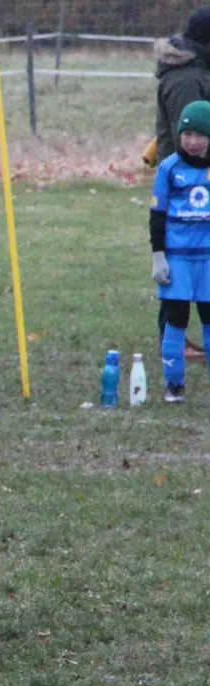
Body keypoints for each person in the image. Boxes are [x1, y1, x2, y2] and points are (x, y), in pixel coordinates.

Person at [154, 8, 210, 361]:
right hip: (184, 184)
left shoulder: (197, 71)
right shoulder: (188, 79)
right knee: (177, 259)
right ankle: (173, 335)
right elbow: (189, 138)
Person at [151, 100, 210, 403]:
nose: (193, 141)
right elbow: (157, 215)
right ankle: (174, 386)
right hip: (178, 259)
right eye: (187, 134)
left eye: (200, 135)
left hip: (208, 259)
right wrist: (158, 256)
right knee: (176, 319)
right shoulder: (169, 168)